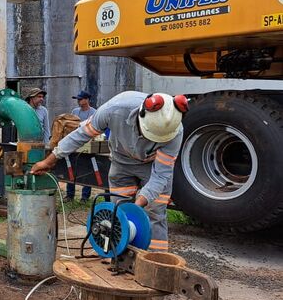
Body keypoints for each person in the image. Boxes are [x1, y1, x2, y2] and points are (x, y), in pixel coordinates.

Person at [30, 91, 188, 251]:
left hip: (151, 166)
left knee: (155, 210)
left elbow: (160, 177)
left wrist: (138, 205)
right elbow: (80, 135)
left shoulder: (175, 131)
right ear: (141, 115)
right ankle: (121, 253)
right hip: (121, 162)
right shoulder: (114, 109)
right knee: (119, 208)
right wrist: (50, 160)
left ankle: (156, 260)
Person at [66, 90, 96, 202]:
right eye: (78, 99)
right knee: (71, 169)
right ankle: (69, 195)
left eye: (81, 99)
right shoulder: (75, 111)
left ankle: (85, 196)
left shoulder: (94, 112)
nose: (79, 101)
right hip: (75, 143)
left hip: (88, 143)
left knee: (87, 169)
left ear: (87, 100)